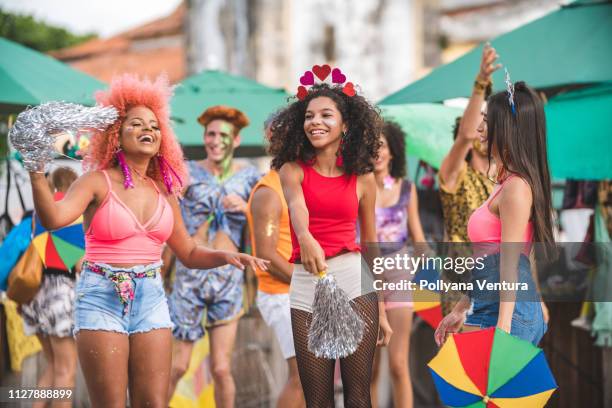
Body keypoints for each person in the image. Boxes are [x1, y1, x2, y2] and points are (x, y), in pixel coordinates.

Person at [27, 74, 267, 408]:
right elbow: (53, 219)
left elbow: (189, 252)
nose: (148, 131)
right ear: (116, 134)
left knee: (154, 402)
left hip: (151, 296)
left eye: (154, 126)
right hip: (101, 295)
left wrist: (226, 257)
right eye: (137, 124)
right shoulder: (95, 182)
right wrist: (36, 176)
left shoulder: (164, 192)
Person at [269, 80, 393, 408]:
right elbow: (297, 207)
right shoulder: (291, 170)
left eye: (326, 115)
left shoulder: (363, 178)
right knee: (318, 400)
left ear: (345, 124)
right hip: (307, 284)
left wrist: (380, 307)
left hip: (355, 281)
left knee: (358, 396)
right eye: (309, 116)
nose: (316, 122)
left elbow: (371, 244)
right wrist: (305, 237)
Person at [435, 80, 554, 346]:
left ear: (507, 128)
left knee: (491, 388)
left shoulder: (516, 188)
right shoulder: (504, 183)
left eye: (487, 120)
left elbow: (510, 264)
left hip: (505, 313)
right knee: (476, 387)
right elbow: (489, 262)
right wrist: (461, 307)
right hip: (488, 305)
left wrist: (503, 326)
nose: (480, 127)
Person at [168, 105, 261, 407]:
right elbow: (167, 215)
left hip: (228, 279)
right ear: (204, 137)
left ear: (236, 140)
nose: (216, 140)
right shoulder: (186, 172)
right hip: (189, 277)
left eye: (224, 135)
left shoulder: (249, 177)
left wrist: (246, 208)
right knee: (178, 365)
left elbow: (267, 221)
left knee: (221, 368)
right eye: (211, 134)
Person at [369, 122, 430, 408]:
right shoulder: (358, 186)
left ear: (392, 150)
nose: (376, 151)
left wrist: (431, 258)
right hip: (364, 277)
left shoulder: (407, 189)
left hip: (399, 275)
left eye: (380, 144)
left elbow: (417, 237)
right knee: (368, 371)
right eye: (370, 145)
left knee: (398, 364)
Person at [246, 118, 306, 408]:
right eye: (277, 136)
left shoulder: (297, 183)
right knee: (302, 378)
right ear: (270, 141)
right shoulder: (269, 191)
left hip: (302, 291)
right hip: (282, 294)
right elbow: (267, 256)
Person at [20, 167, 79, 408]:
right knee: (67, 371)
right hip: (61, 293)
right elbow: (78, 263)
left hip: (38, 294)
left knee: (53, 365)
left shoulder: (39, 212)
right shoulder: (71, 212)